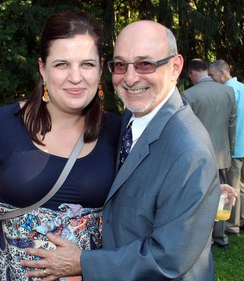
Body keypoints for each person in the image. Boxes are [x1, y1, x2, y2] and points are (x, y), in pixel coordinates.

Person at [22, 20, 220, 281]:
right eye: (120, 65)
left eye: (145, 64)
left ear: (175, 67)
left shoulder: (189, 150)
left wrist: (83, 263)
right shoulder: (132, 116)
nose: (129, 77)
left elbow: (168, 259)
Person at [0, 12, 120, 281]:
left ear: (100, 67)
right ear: (42, 68)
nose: (75, 77)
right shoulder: (1, 125)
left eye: (87, 64)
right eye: (61, 64)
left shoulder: (118, 132)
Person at [182, 58, 237, 248]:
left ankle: (201, 237)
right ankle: (220, 237)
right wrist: (230, 151)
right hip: (222, 154)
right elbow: (232, 124)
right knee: (222, 197)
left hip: (199, 155)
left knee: (200, 195)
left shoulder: (188, 95)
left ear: (193, 73)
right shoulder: (228, 92)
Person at [208, 60, 244, 236]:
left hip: (235, 147)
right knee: (241, 184)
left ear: (222, 73)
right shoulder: (243, 87)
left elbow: (228, 120)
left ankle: (232, 225)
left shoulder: (229, 90)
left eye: (212, 75)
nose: (211, 79)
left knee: (231, 187)